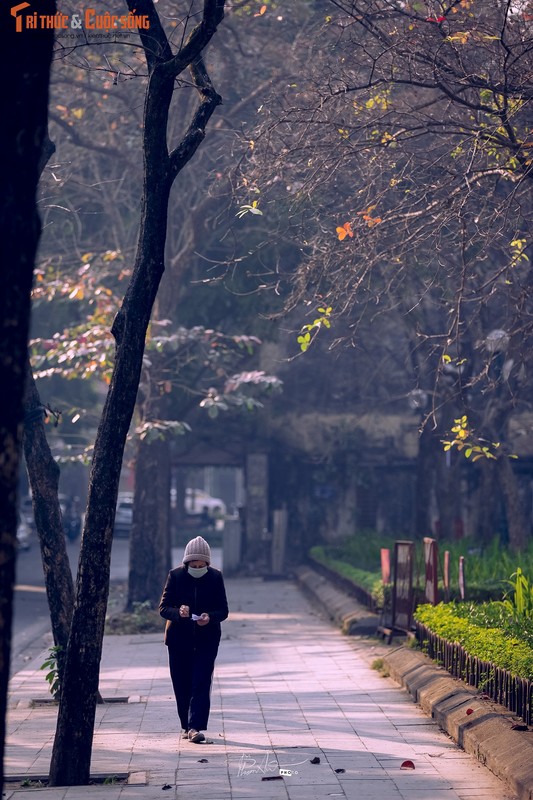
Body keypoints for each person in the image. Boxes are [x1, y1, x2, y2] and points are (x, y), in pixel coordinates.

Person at [159, 535, 229, 744]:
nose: (197, 568)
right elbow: (163, 608)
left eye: (202, 565)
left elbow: (223, 610)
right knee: (181, 683)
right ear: (186, 563)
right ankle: (186, 724)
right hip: (178, 639)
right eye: (194, 564)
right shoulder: (176, 576)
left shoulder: (216, 578)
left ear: (208, 563)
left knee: (201, 681)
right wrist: (178, 612)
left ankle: (195, 727)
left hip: (207, 639)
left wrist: (210, 617)